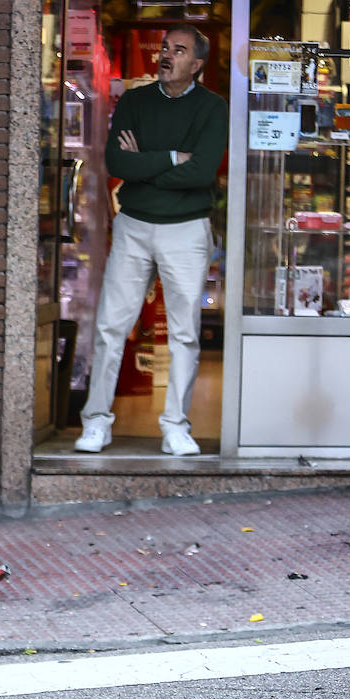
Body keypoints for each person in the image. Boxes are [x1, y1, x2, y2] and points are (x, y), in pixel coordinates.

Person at [74, 25, 228, 457]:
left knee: (184, 334)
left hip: (187, 228)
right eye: (164, 47)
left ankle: (175, 426)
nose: (166, 55)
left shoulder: (213, 109)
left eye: (178, 51)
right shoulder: (135, 102)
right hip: (134, 225)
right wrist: (170, 158)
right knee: (111, 325)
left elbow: (202, 173)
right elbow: (116, 161)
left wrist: (147, 166)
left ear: (196, 65)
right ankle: (96, 422)